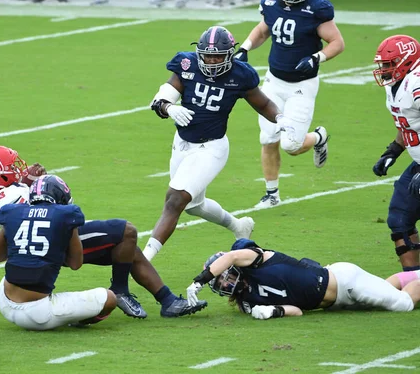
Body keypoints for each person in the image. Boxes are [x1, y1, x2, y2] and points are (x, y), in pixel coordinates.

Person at [0, 145, 209, 319]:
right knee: (126, 232)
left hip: (38, 242)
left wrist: (27, 182)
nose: (19, 168)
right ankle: (121, 290)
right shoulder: (9, 201)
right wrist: (34, 183)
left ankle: (167, 300)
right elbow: (42, 210)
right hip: (50, 242)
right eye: (12, 167)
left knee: (126, 249)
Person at [143, 25, 295, 262]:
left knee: (175, 200)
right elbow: (161, 98)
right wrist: (169, 107)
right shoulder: (186, 64)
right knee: (193, 205)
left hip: (211, 147)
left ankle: (144, 258)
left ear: (230, 55)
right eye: (207, 55)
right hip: (182, 143)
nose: (212, 61)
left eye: (218, 56)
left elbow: (263, 104)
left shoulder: (240, 74)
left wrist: (280, 118)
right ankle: (239, 226)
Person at [234, 0, 345, 208]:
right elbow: (263, 30)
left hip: (301, 86)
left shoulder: (317, 9)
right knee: (268, 137)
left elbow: (337, 42)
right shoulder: (272, 3)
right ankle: (271, 194)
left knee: (291, 145)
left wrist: (317, 57)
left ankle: (318, 137)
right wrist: (245, 47)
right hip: (274, 81)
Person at [0, 174, 118, 330]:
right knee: (110, 299)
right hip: (37, 314)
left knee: (19, 265)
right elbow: (75, 264)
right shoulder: (66, 216)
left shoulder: (13, 211)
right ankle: (77, 320)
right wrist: (69, 229)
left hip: (4, 301)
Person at [185, 238, 420, 319]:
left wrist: (200, 280)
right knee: (384, 291)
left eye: (221, 279)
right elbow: (297, 311)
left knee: (403, 304)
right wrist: (273, 312)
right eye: (220, 286)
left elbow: (232, 255)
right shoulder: (248, 301)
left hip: (345, 281)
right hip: (335, 302)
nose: (224, 285)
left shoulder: (258, 259)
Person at [371, 34, 420, 272]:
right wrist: (393, 150)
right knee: (400, 218)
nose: (385, 71)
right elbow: (408, 124)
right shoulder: (396, 85)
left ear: (408, 60)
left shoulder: (418, 83)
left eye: (390, 65)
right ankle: (415, 281)